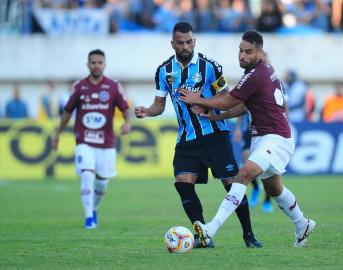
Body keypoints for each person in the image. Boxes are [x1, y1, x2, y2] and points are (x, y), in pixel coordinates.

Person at [179, 30, 316, 248]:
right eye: (240, 51)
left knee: (242, 174)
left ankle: (210, 229)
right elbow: (243, 106)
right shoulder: (263, 70)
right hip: (264, 138)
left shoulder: (255, 75)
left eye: (248, 52)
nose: (242, 56)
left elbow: (228, 100)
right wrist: (218, 117)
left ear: (260, 53)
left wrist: (199, 99)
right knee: (274, 189)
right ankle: (303, 224)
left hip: (275, 138)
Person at [134, 22, 262, 248]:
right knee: (183, 181)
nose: (186, 46)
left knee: (232, 184)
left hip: (215, 135)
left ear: (195, 41)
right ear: (172, 44)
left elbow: (227, 98)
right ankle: (204, 234)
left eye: (189, 42)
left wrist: (205, 104)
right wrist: (147, 111)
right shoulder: (164, 71)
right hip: (187, 138)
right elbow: (159, 105)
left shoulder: (210, 67)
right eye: (181, 42)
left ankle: (248, 235)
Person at [52, 49, 131, 229]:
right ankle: (89, 219)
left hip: (106, 142)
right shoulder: (79, 86)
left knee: (102, 183)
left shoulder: (113, 86)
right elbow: (67, 112)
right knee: (87, 174)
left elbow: (125, 108)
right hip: (84, 140)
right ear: (88, 64)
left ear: (105, 64)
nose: (96, 65)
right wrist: (57, 133)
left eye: (99, 62)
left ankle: (94, 208)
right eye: (93, 62)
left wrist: (127, 122)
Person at [234, 113, 272, 212]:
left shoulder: (279, 97)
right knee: (246, 161)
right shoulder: (248, 97)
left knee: (268, 167)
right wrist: (238, 128)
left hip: (268, 133)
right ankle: (256, 188)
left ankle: (267, 200)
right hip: (250, 131)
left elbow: (284, 110)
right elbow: (241, 108)